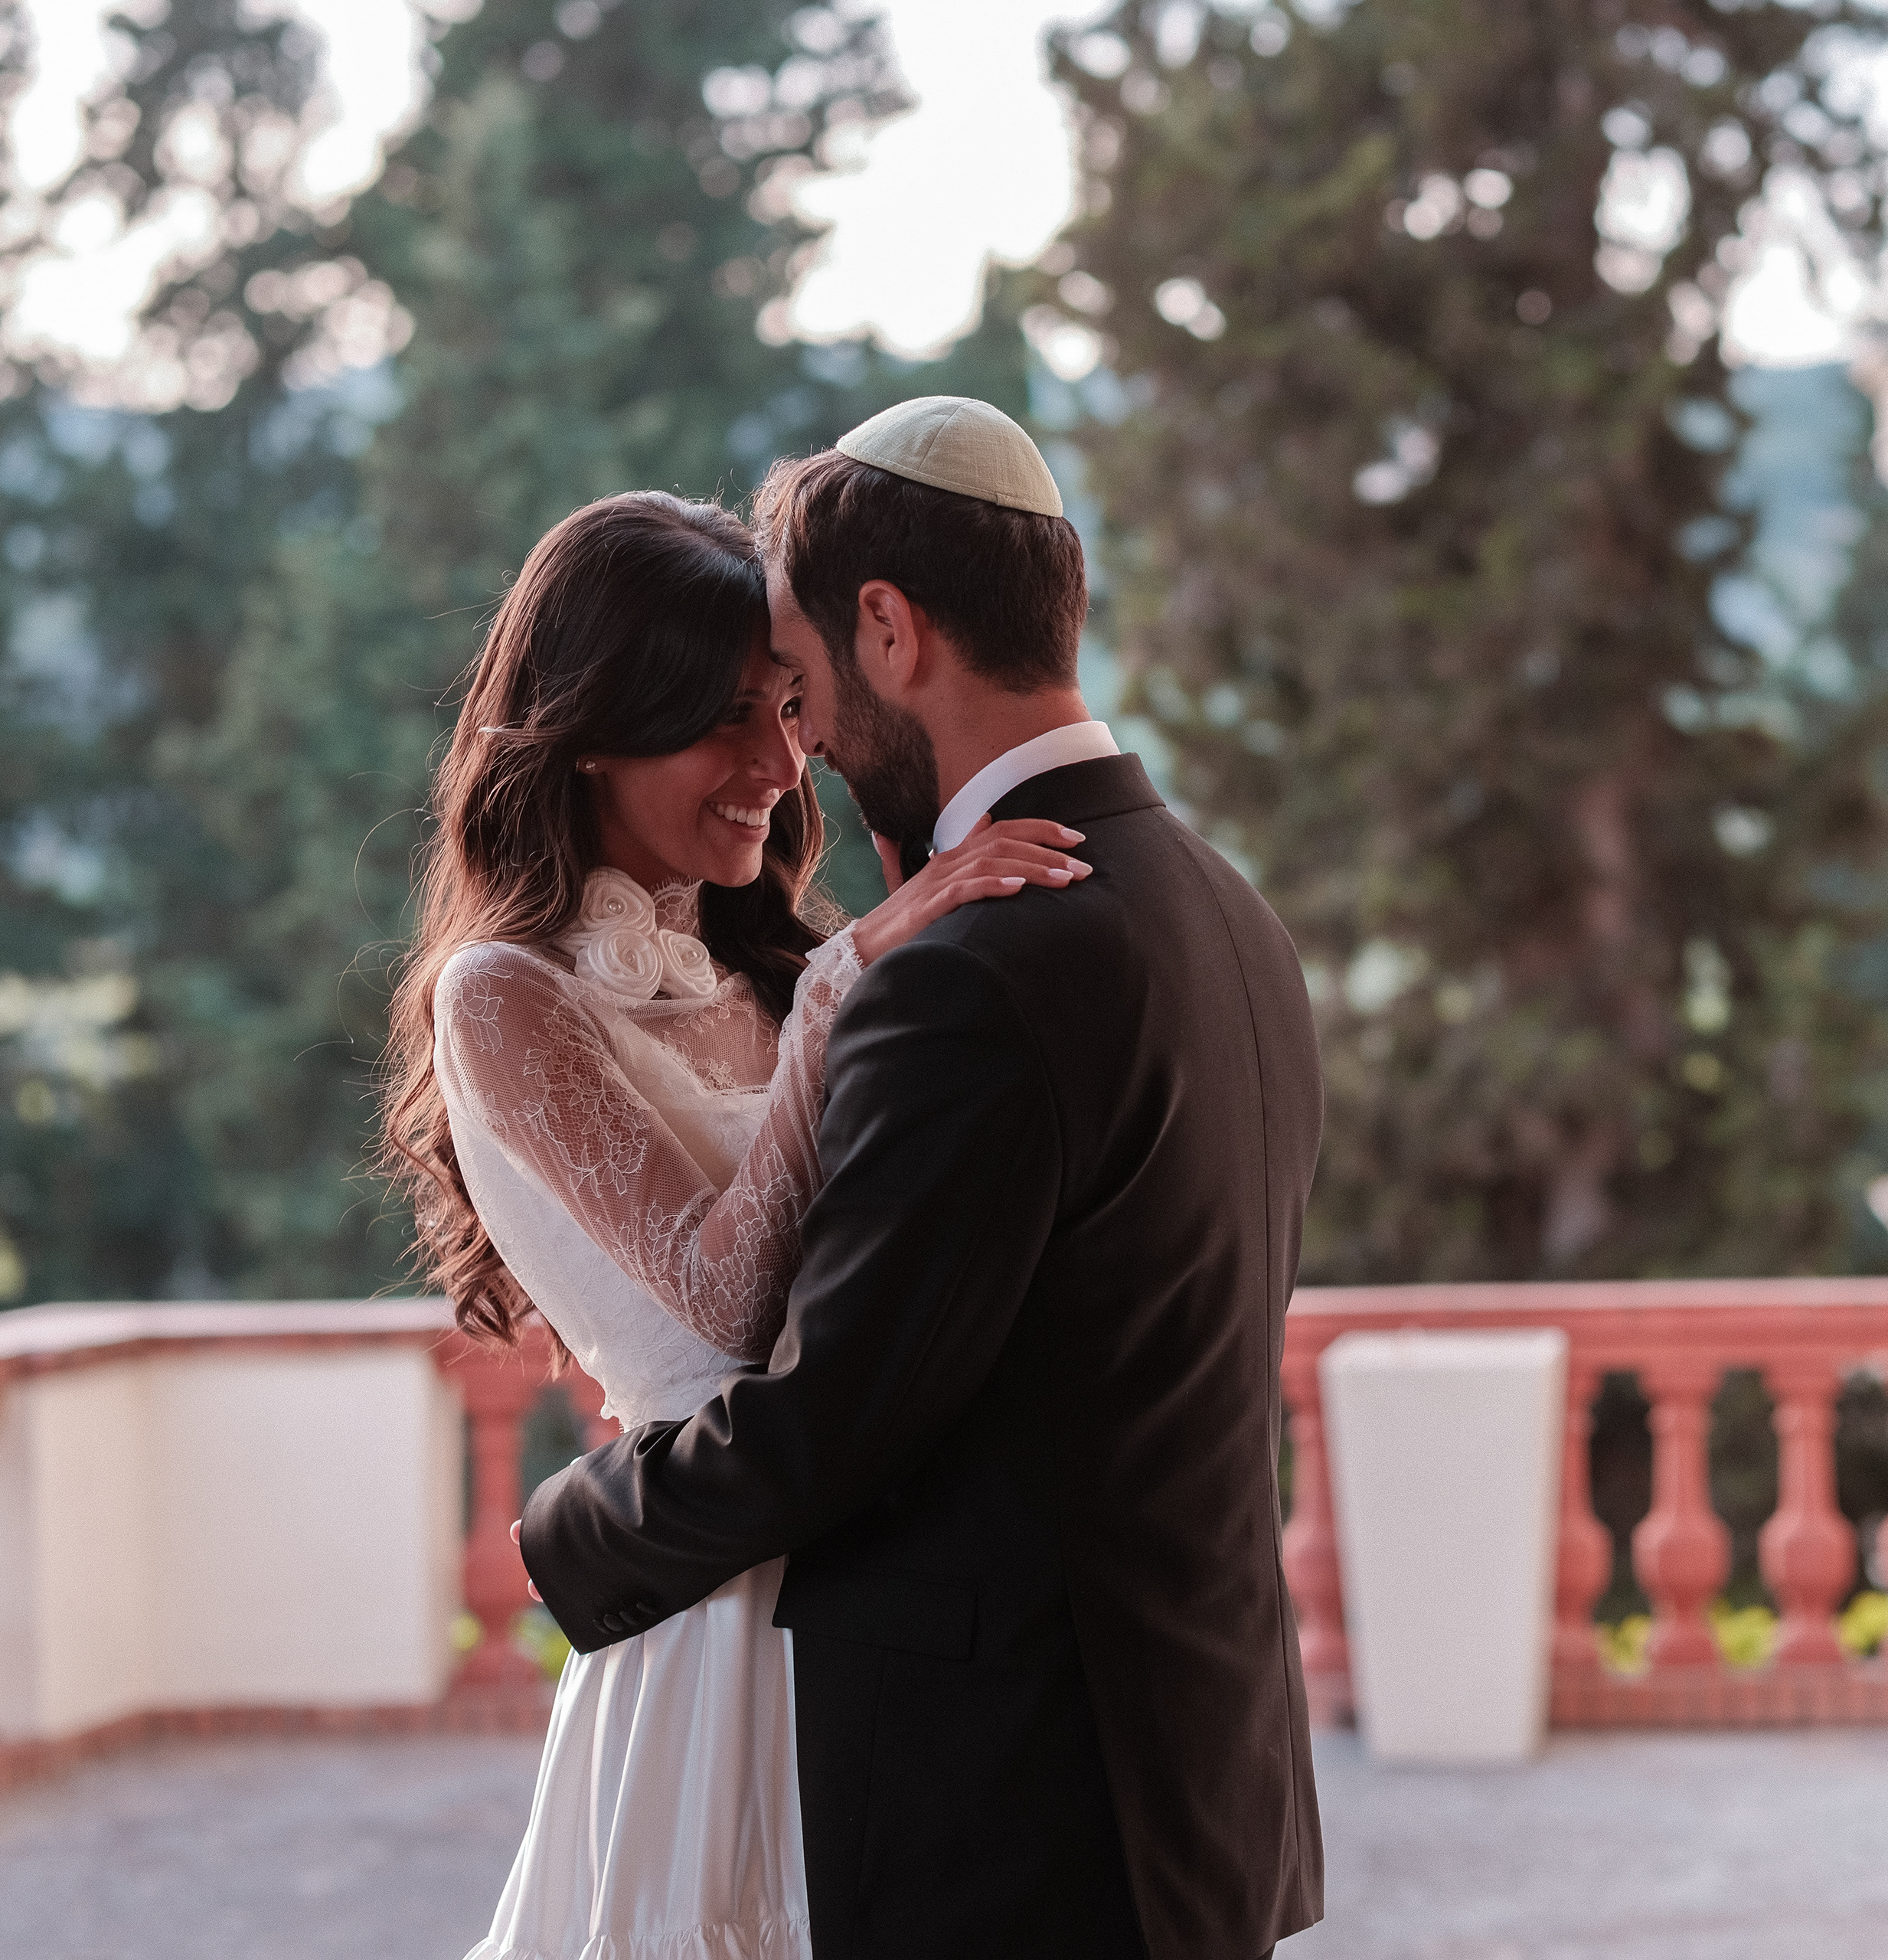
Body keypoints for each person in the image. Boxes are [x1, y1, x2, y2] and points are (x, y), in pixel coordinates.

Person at [518, 397, 1328, 1960]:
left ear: (889, 629)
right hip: (1197, 1782)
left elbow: (836, 1417)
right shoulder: (1225, 909)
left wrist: (573, 1529)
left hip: (1020, 1810)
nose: (802, 747)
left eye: (802, 684)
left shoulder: (977, 968)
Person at [376, 488, 1091, 1960]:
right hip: (712, 1611)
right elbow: (725, 1307)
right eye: (722, 720)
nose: (778, 764)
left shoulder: (761, 959)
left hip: (871, 1595)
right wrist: (848, 989)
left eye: (785, 707)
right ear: (590, 729)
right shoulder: (503, 994)